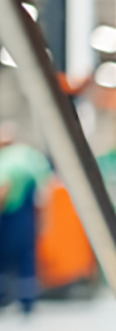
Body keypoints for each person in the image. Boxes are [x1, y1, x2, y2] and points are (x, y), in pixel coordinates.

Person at [0, 122, 52, 313]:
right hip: (29, 216)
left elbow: (3, 192)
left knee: (4, 258)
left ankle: (3, 297)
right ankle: (27, 301)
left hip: (10, 218)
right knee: (27, 258)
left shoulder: (7, 160)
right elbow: (43, 192)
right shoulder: (31, 156)